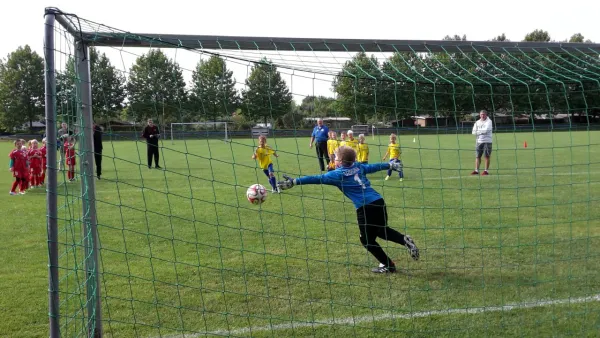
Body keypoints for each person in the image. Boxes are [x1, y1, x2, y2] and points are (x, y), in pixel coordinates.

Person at [277, 145, 419, 273]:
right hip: (378, 201)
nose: (334, 158)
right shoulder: (358, 166)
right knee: (381, 230)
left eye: (336, 157)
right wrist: (389, 164)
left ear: (340, 161)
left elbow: (316, 178)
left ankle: (388, 265)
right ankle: (404, 239)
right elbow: (373, 167)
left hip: (365, 208)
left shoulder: (336, 175)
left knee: (366, 240)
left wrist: (294, 182)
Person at [471, 110, 493, 175]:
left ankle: (486, 171)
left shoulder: (489, 121)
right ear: (479, 115)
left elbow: (486, 130)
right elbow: (473, 132)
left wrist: (478, 131)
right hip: (478, 141)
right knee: (477, 156)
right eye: (481, 114)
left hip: (487, 141)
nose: (482, 116)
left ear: (486, 115)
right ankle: (476, 170)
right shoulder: (477, 122)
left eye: (484, 114)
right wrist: (480, 132)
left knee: (486, 156)